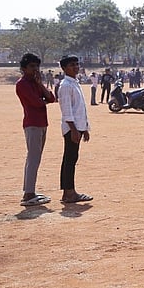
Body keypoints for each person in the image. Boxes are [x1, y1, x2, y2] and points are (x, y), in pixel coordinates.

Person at [16, 53, 56, 206]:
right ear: (24, 68)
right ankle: (29, 193)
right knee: (33, 158)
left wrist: (40, 85)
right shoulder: (22, 84)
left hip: (41, 123)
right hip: (32, 124)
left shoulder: (35, 82)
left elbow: (51, 98)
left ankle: (29, 190)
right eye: (32, 66)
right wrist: (43, 99)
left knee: (34, 157)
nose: (35, 69)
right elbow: (37, 102)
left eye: (37, 66)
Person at [56, 55, 93, 204]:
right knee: (70, 159)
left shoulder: (74, 83)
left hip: (77, 126)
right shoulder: (65, 85)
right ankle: (69, 192)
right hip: (71, 128)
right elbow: (67, 110)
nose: (76, 67)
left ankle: (68, 191)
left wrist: (84, 128)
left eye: (77, 64)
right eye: (72, 65)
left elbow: (79, 108)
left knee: (71, 158)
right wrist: (74, 130)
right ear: (64, 68)